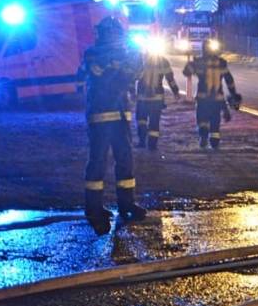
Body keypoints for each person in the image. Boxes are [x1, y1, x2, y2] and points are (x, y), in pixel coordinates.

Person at [77, 16, 142, 233]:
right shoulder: (92, 53)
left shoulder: (124, 53)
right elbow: (103, 76)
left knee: (125, 161)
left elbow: (133, 75)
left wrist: (126, 63)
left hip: (122, 115)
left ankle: (127, 204)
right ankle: (94, 211)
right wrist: (119, 65)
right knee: (97, 162)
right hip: (100, 115)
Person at [182, 40, 241, 149]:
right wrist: (233, 94)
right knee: (215, 121)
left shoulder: (198, 63)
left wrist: (190, 64)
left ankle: (203, 138)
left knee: (202, 120)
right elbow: (229, 80)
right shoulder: (221, 63)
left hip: (202, 99)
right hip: (217, 100)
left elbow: (186, 73)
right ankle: (214, 142)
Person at [133, 43, 181, 150]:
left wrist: (131, 92)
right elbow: (170, 79)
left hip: (142, 98)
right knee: (154, 121)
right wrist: (176, 92)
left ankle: (141, 142)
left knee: (141, 120)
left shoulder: (140, 61)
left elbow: (132, 78)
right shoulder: (163, 61)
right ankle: (152, 145)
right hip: (157, 99)